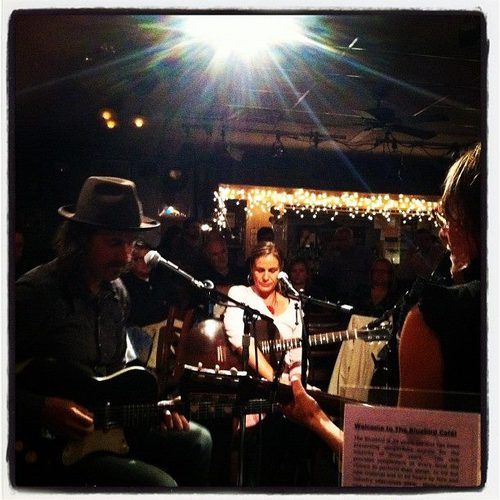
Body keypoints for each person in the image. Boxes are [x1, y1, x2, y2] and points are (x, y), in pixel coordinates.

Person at [14, 176, 212, 487]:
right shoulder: (35, 293)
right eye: (114, 243)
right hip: (47, 449)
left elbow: (118, 374)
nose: (125, 256)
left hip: (106, 429)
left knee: (199, 441)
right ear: (80, 240)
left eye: (131, 243)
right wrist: (42, 408)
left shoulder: (118, 294)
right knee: (160, 486)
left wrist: (155, 409)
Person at [283, 143, 482, 450]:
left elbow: (406, 461)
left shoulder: (433, 318)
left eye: (449, 221)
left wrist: (317, 419)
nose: (443, 234)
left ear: (472, 223)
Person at [318, 226, 373, 304]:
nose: (343, 243)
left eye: (345, 239)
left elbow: (370, 274)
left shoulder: (363, 254)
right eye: (340, 240)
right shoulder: (331, 256)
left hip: (359, 297)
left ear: (352, 240)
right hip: (336, 297)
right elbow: (324, 277)